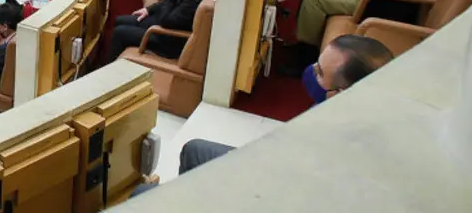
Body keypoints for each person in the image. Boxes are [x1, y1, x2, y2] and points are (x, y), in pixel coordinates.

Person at [132, 34, 393, 198]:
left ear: (342, 92)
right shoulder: (345, 107)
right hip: (276, 169)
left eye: (319, 73)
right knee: (195, 150)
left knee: (142, 193)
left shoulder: (343, 151)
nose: (311, 73)